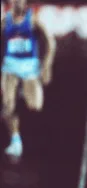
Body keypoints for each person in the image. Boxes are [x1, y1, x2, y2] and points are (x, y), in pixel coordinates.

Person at [1, 0, 55, 159]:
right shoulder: (5, 20)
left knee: (36, 106)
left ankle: (22, 94)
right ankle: (15, 140)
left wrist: (46, 65)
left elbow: (50, 42)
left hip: (29, 67)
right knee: (8, 106)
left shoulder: (33, 20)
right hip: (10, 66)